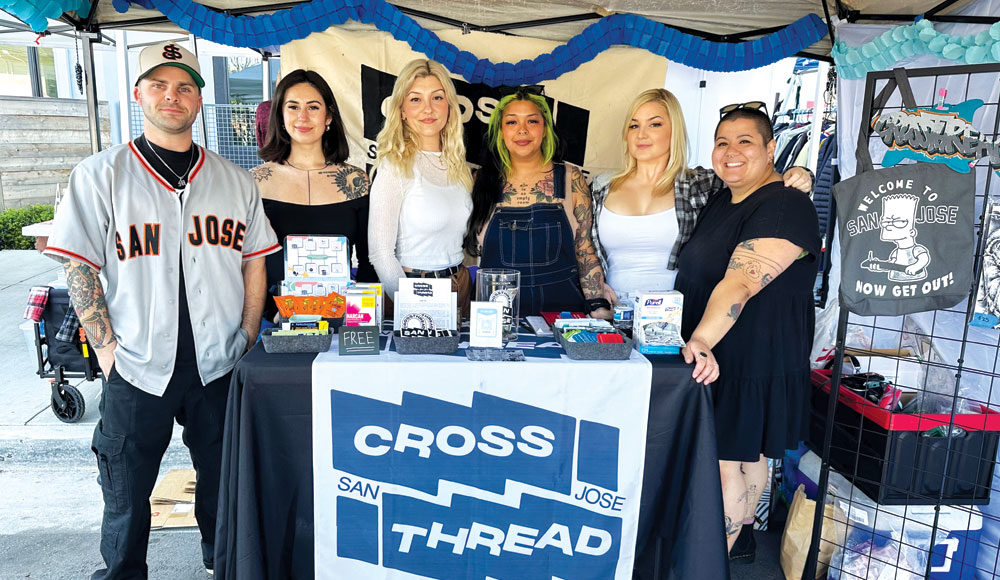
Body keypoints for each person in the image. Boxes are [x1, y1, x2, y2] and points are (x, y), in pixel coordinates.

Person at [42, 42, 280, 578]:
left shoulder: (235, 179)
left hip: (217, 360)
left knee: (223, 486)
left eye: (185, 86)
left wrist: (246, 333)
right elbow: (80, 267)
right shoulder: (100, 174)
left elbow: (254, 263)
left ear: (199, 99)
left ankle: (224, 568)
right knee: (125, 494)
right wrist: (107, 350)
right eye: (159, 85)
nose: (172, 96)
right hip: (136, 360)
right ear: (138, 94)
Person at [675, 103, 820, 559]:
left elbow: (740, 282)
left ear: (771, 148)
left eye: (745, 142)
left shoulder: (785, 205)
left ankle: (708, 562)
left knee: (723, 465)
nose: (731, 152)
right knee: (743, 457)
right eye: (722, 142)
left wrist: (701, 340)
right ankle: (729, 550)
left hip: (750, 360)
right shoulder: (724, 197)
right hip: (726, 356)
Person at [591, 89, 813, 300]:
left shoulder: (701, 184)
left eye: (654, 124)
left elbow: (756, 180)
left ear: (674, 131)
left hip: (679, 314)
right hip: (609, 312)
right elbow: (583, 250)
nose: (641, 134)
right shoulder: (601, 187)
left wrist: (800, 173)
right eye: (634, 126)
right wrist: (595, 290)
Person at [465, 88, 612, 319]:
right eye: (512, 122)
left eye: (532, 121)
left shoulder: (570, 178)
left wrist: (598, 306)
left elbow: (584, 249)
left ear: (545, 130)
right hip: (495, 314)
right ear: (501, 131)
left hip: (563, 312)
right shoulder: (480, 181)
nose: (522, 129)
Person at [252, 69, 375, 322]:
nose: (303, 117)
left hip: (344, 321)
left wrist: (359, 316)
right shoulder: (256, 182)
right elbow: (248, 262)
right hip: (276, 323)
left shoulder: (356, 181)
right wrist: (270, 314)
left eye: (313, 107)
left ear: (328, 116)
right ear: (280, 115)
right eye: (293, 107)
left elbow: (368, 263)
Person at [368, 59, 473, 311]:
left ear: (449, 106)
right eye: (415, 99)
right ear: (402, 110)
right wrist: (412, 307)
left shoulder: (458, 165)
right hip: (414, 287)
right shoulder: (395, 166)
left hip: (460, 285)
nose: (428, 109)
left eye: (437, 98)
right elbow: (381, 253)